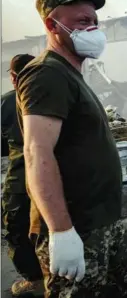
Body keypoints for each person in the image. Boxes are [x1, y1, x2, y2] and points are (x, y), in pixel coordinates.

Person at [15, 0, 127, 297]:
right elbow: (36, 152)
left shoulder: (72, 75)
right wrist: (61, 230)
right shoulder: (47, 73)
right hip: (78, 227)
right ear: (51, 24)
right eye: (83, 21)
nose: (93, 29)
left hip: (103, 223)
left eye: (95, 22)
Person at [1, 54, 45, 297]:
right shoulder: (56, 96)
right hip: (58, 174)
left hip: (22, 176)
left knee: (17, 226)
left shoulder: (7, 102)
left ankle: (35, 280)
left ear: (13, 77)